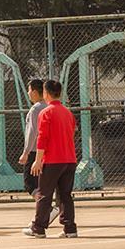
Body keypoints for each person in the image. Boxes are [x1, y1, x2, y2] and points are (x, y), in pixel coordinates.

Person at [23, 80, 78, 239]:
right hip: (69, 159)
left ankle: (38, 228)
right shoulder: (68, 112)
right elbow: (72, 133)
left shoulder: (45, 113)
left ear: (46, 93)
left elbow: (42, 138)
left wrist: (38, 160)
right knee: (65, 195)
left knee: (44, 194)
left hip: (53, 160)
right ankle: (70, 228)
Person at [18, 79, 59, 226]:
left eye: (29, 90)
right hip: (49, 152)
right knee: (42, 185)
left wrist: (26, 152)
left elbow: (32, 133)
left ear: (35, 92)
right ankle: (42, 214)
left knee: (29, 183)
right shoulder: (50, 107)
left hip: (36, 151)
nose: (28, 93)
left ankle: (46, 210)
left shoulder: (35, 110)